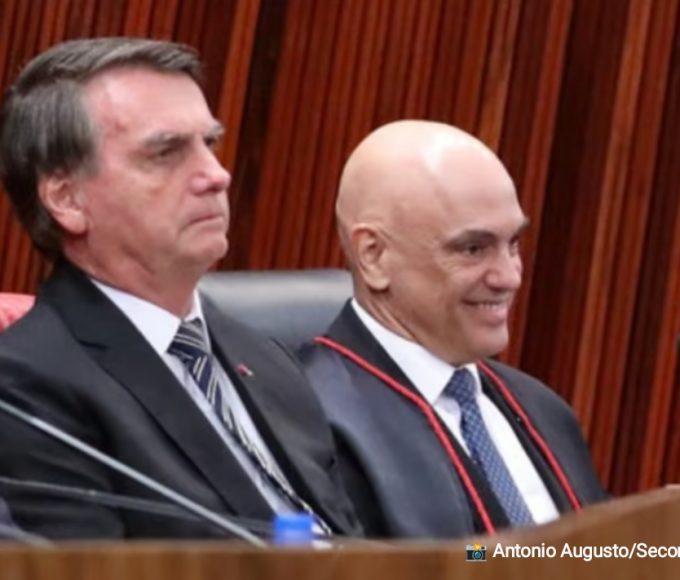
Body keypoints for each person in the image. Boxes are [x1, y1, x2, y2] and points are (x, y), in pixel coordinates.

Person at [0, 37, 360, 540]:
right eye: (166, 152)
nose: (217, 175)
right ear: (67, 200)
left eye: (209, 144)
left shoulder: (268, 359)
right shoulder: (26, 386)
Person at [299, 120, 607, 539]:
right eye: (473, 249)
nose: (509, 277)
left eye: (513, 244)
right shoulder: (310, 422)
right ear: (374, 256)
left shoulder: (542, 409)